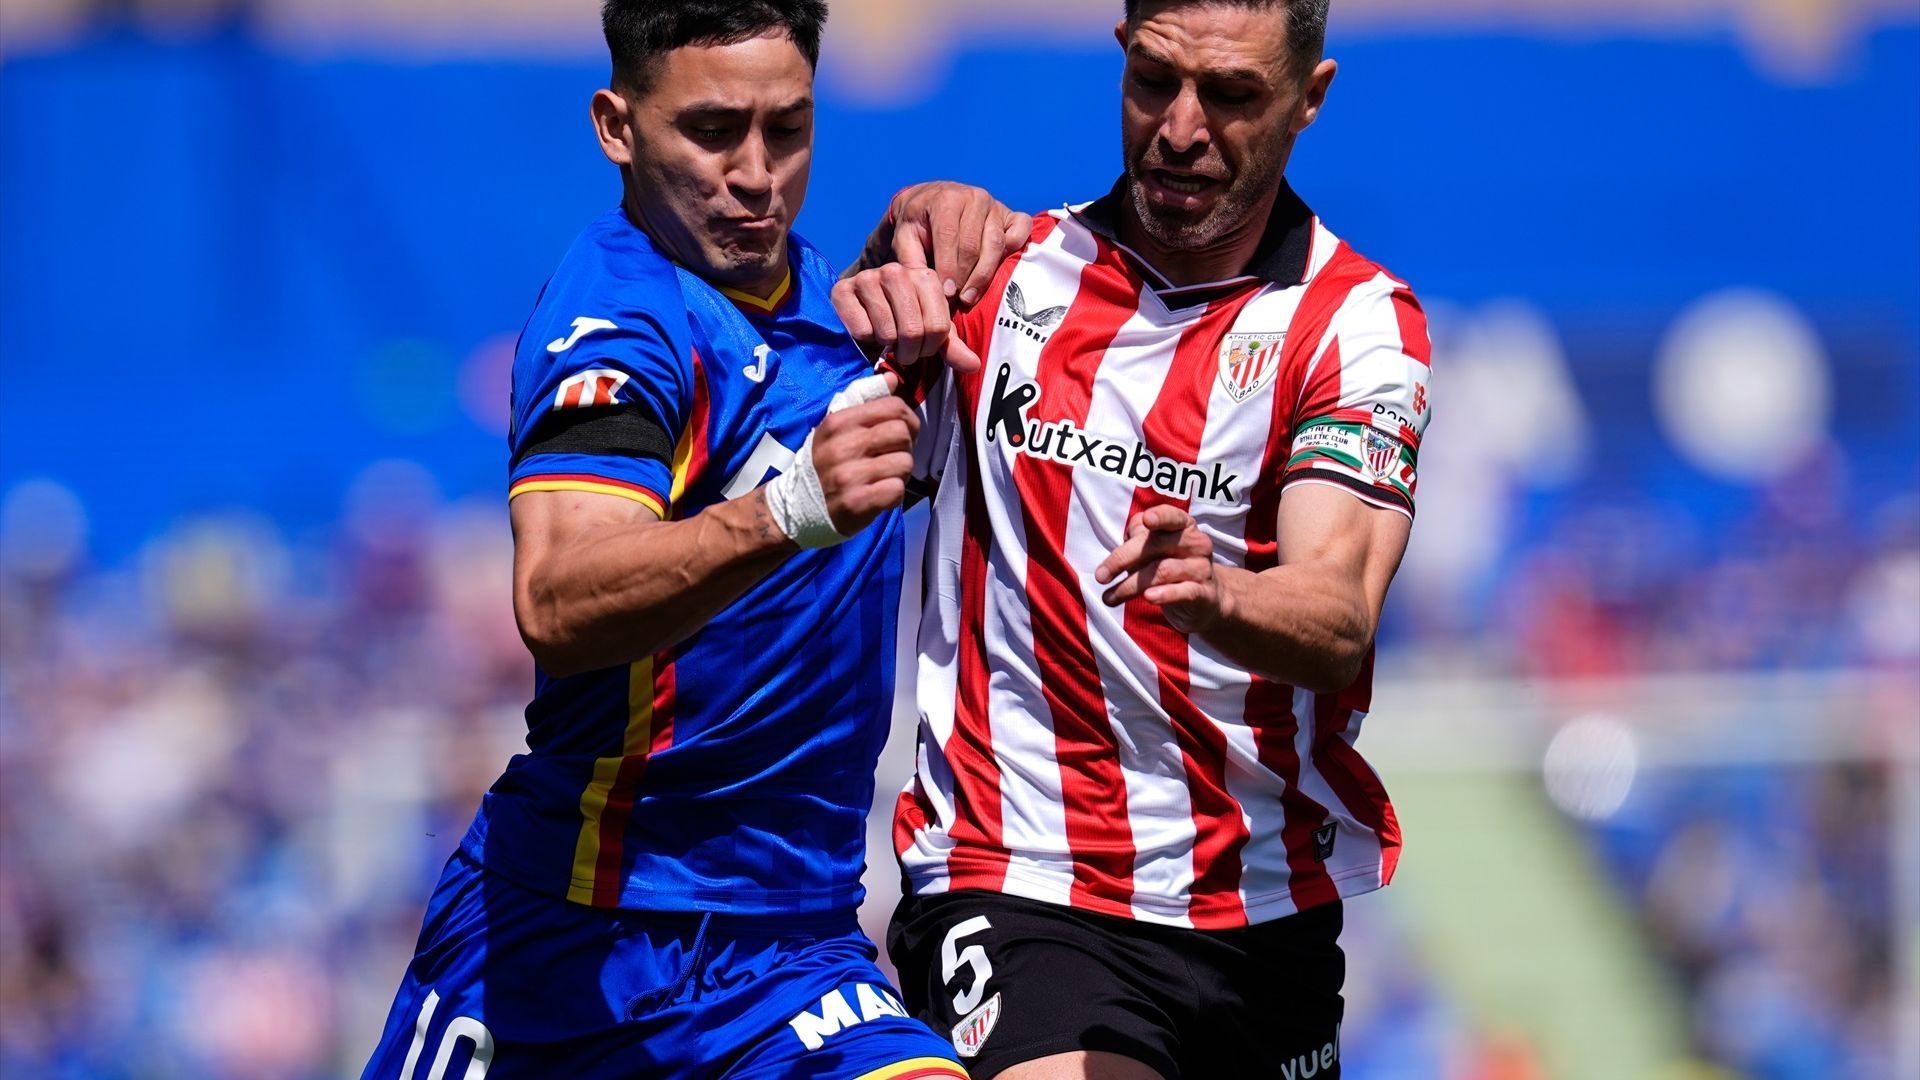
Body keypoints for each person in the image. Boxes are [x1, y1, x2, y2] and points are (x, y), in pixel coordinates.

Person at [360, 2, 1027, 1076]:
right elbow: (559, 601)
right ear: (617, 127)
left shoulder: (817, 297)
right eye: (712, 132)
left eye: (789, 129)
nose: (756, 173)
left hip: (793, 954)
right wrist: (787, 511)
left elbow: (817, 361)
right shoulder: (620, 324)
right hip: (571, 945)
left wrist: (935, 219)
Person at [835, 1, 1432, 1076]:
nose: (1182, 127)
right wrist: (871, 283)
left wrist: (1222, 596)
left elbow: (1337, 610)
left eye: (1234, 95)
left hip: (1260, 915)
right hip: (1018, 881)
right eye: (1155, 80)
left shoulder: (1356, 325)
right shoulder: (998, 277)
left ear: (1311, 97)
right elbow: (804, 463)